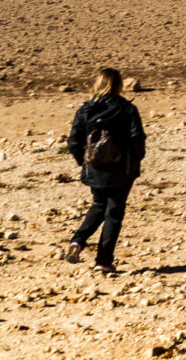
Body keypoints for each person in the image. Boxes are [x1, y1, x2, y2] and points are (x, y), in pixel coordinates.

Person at [62, 68, 146, 275]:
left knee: (99, 204)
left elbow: (73, 141)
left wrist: (85, 163)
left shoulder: (85, 110)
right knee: (114, 214)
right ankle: (104, 260)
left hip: (95, 169)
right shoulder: (127, 109)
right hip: (122, 170)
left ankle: (78, 241)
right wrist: (136, 160)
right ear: (118, 85)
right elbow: (137, 139)